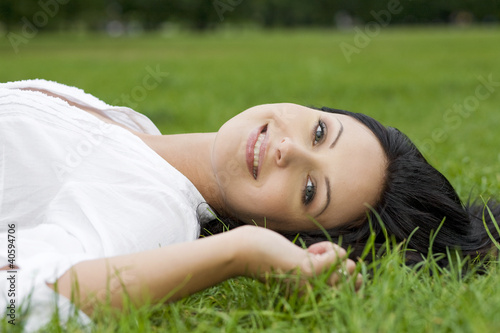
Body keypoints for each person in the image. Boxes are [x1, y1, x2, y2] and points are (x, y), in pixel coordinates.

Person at [0, 80, 498, 330]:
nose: (290, 150)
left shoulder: (151, 211)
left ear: (291, 234)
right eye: (321, 132)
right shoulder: (138, 133)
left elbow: (20, 291)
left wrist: (242, 253)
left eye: (309, 191)